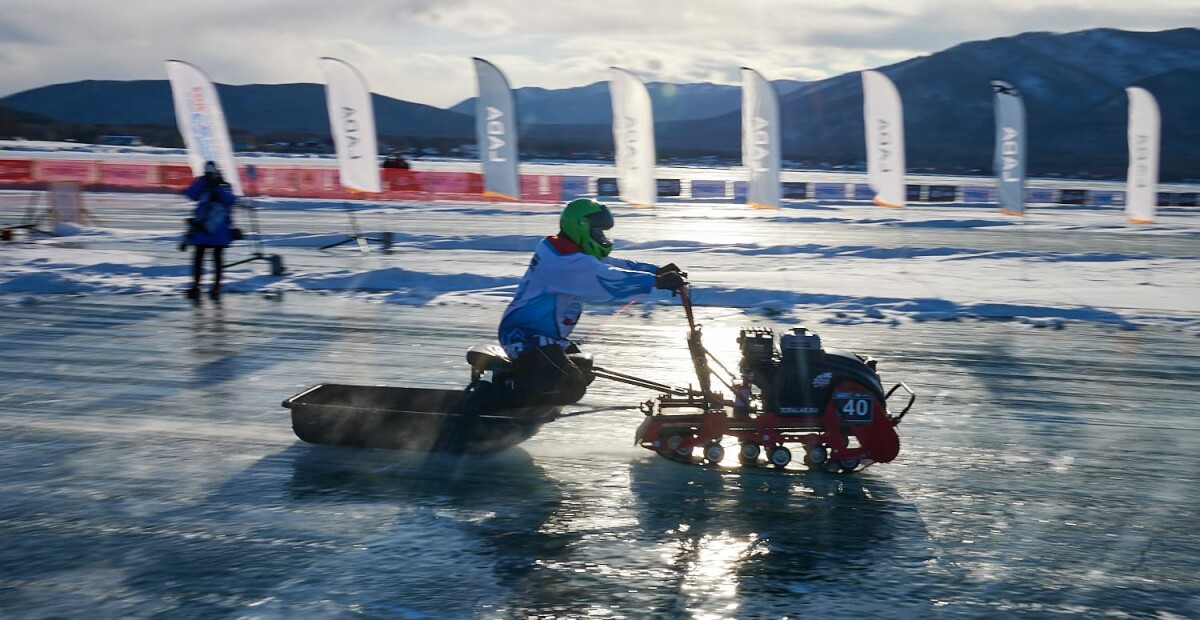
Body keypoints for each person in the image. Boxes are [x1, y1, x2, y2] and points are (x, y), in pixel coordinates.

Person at [497, 198, 687, 406]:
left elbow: (612, 264)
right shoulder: (563, 261)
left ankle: (525, 398)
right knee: (570, 384)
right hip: (525, 337)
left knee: (584, 368)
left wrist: (655, 270)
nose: (602, 238)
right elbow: (606, 278)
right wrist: (656, 281)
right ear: (581, 227)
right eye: (598, 232)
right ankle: (501, 404)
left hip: (546, 338)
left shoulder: (567, 251)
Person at [181, 161, 238, 300]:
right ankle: (197, 285)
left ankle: (215, 287)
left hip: (217, 228)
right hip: (204, 228)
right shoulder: (204, 184)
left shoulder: (224, 186)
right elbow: (191, 194)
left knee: (215, 258)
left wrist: (215, 186)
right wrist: (203, 181)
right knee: (200, 258)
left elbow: (230, 201)